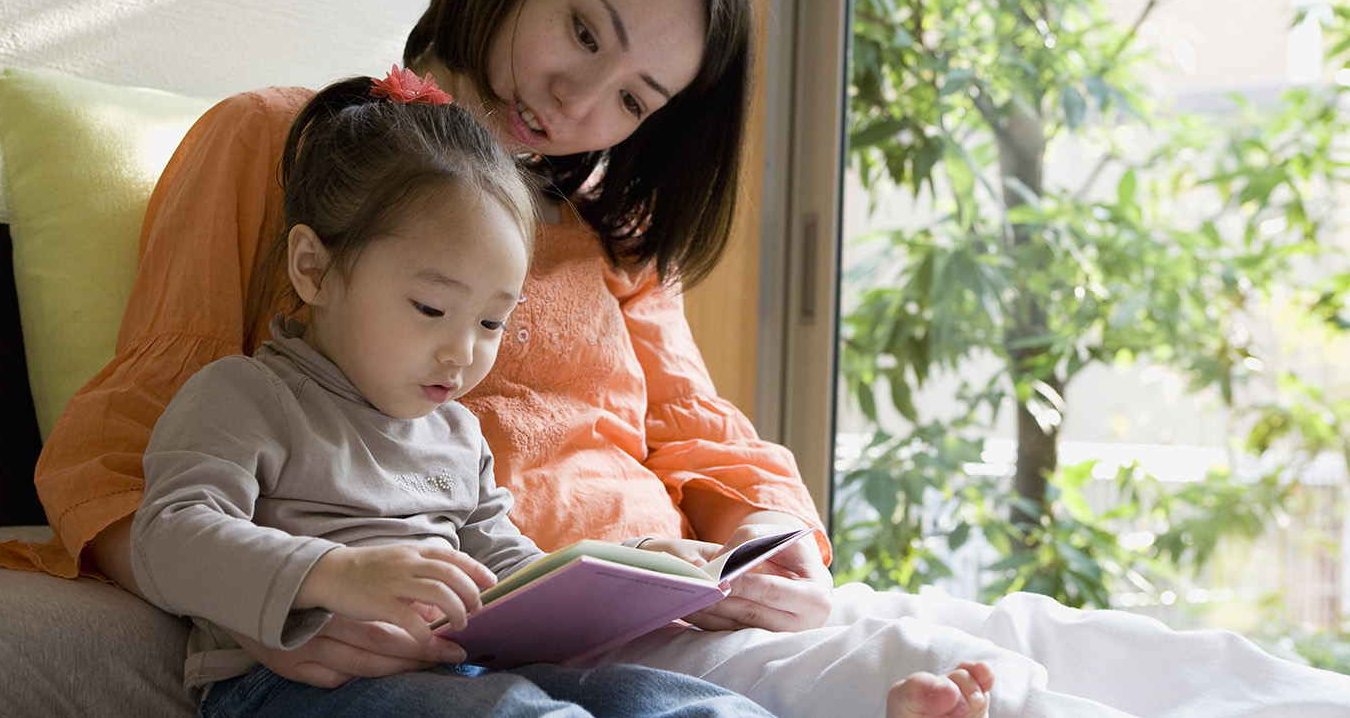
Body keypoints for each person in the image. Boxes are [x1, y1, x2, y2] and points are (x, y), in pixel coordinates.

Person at [0, 0, 1350, 716]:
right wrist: (287, 594)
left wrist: (770, 538)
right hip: (547, 636)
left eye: (636, 95)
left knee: (1085, 639)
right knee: (1022, 692)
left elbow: (703, 433)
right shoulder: (282, 141)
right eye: (583, 31)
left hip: (678, 600)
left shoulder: (611, 237)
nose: (580, 101)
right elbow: (127, 445)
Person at [129, 69, 994, 718]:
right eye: (431, 307)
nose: (462, 351)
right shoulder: (245, 395)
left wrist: (647, 573)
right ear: (313, 268)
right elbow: (169, 536)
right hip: (292, 692)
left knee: (661, 699)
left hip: (461, 678)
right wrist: (332, 572)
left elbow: (508, 569)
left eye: (492, 323)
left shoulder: (454, 434)